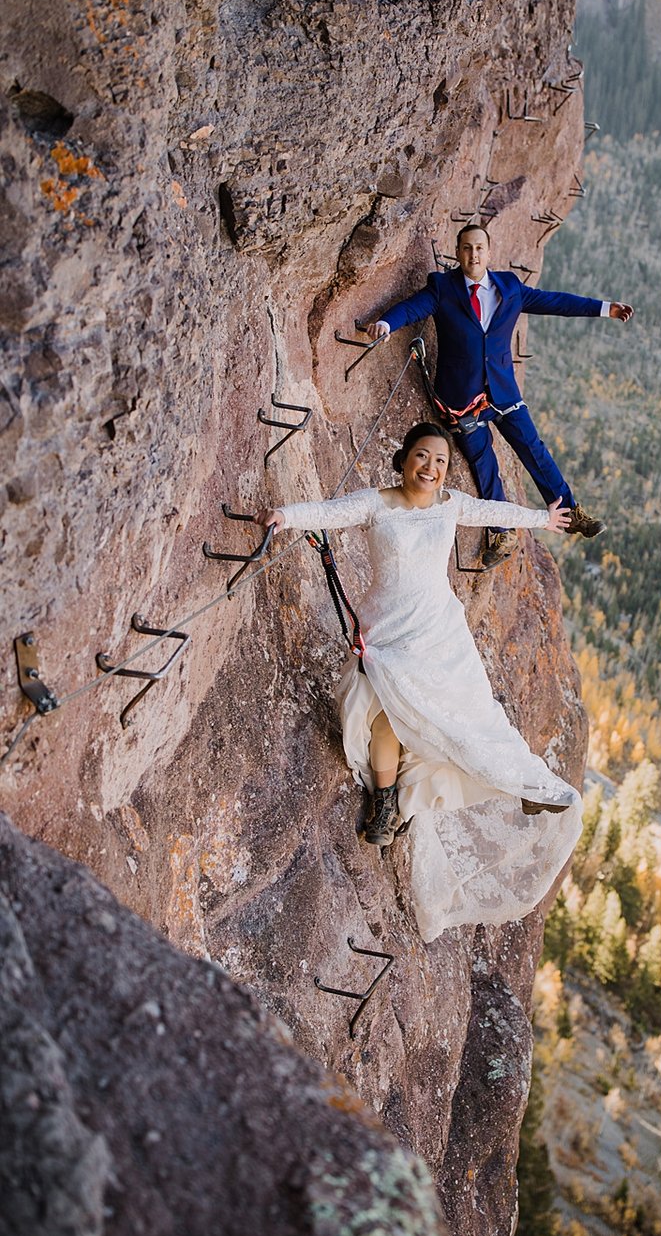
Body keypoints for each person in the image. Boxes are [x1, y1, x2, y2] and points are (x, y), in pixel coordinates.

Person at [256, 422, 584, 944]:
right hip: (388, 634)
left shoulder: (451, 504)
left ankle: (526, 782)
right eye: (422, 457)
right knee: (389, 709)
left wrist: (541, 519)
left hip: (440, 633)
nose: (431, 469)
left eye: (440, 462)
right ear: (403, 458)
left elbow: (491, 511)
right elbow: (328, 512)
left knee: (473, 713)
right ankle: (384, 802)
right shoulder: (377, 503)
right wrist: (286, 516)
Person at [366, 224, 633, 567]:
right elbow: (411, 308)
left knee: (532, 448)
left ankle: (569, 512)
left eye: (479, 248)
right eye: (466, 249)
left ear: (489, 253)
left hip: (503, 393)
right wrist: (387, 324)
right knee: (484, 463)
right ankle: (502, 532)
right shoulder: (443, 288)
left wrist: (604, 308)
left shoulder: (509, 287)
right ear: (458, 252)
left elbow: (554, 301)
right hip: (461, 401)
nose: (473, 255)